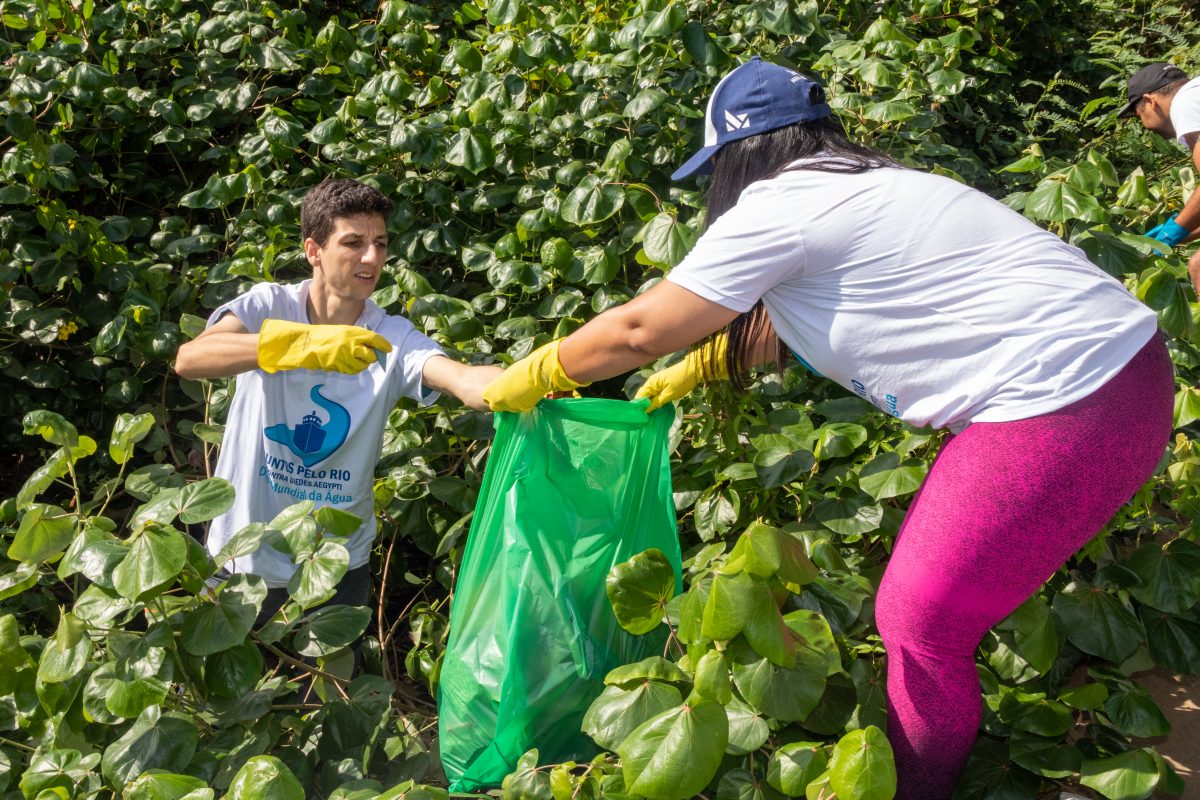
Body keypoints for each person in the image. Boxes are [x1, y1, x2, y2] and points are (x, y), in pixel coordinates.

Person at [482, 57, 1174, 799]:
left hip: (1062, 405)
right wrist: (705, 365)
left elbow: (641, 328)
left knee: (920, 624)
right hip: (1126, 380)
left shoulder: (780, 205)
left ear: (742, 155)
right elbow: (807, 311)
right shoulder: (878, 187)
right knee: (942, 607)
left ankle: (918, 789)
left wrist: (536, 374)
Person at [175, 177, 500, 627]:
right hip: (243, 554)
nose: (372, 258)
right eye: (354, 243)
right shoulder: (268, 305)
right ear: (314, 251)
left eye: (381, 244)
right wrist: (302, 343)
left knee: (324, 696)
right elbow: (191, 359)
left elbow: (463, 380)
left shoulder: (390, 336)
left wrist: (536, 377)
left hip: (334, 562)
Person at [1118, 62, 1200, 288]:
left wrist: (1174, 230)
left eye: (1138, 116)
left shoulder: (1185, 103)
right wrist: (1183, 233)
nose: (1145, 126)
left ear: (1150, 101)